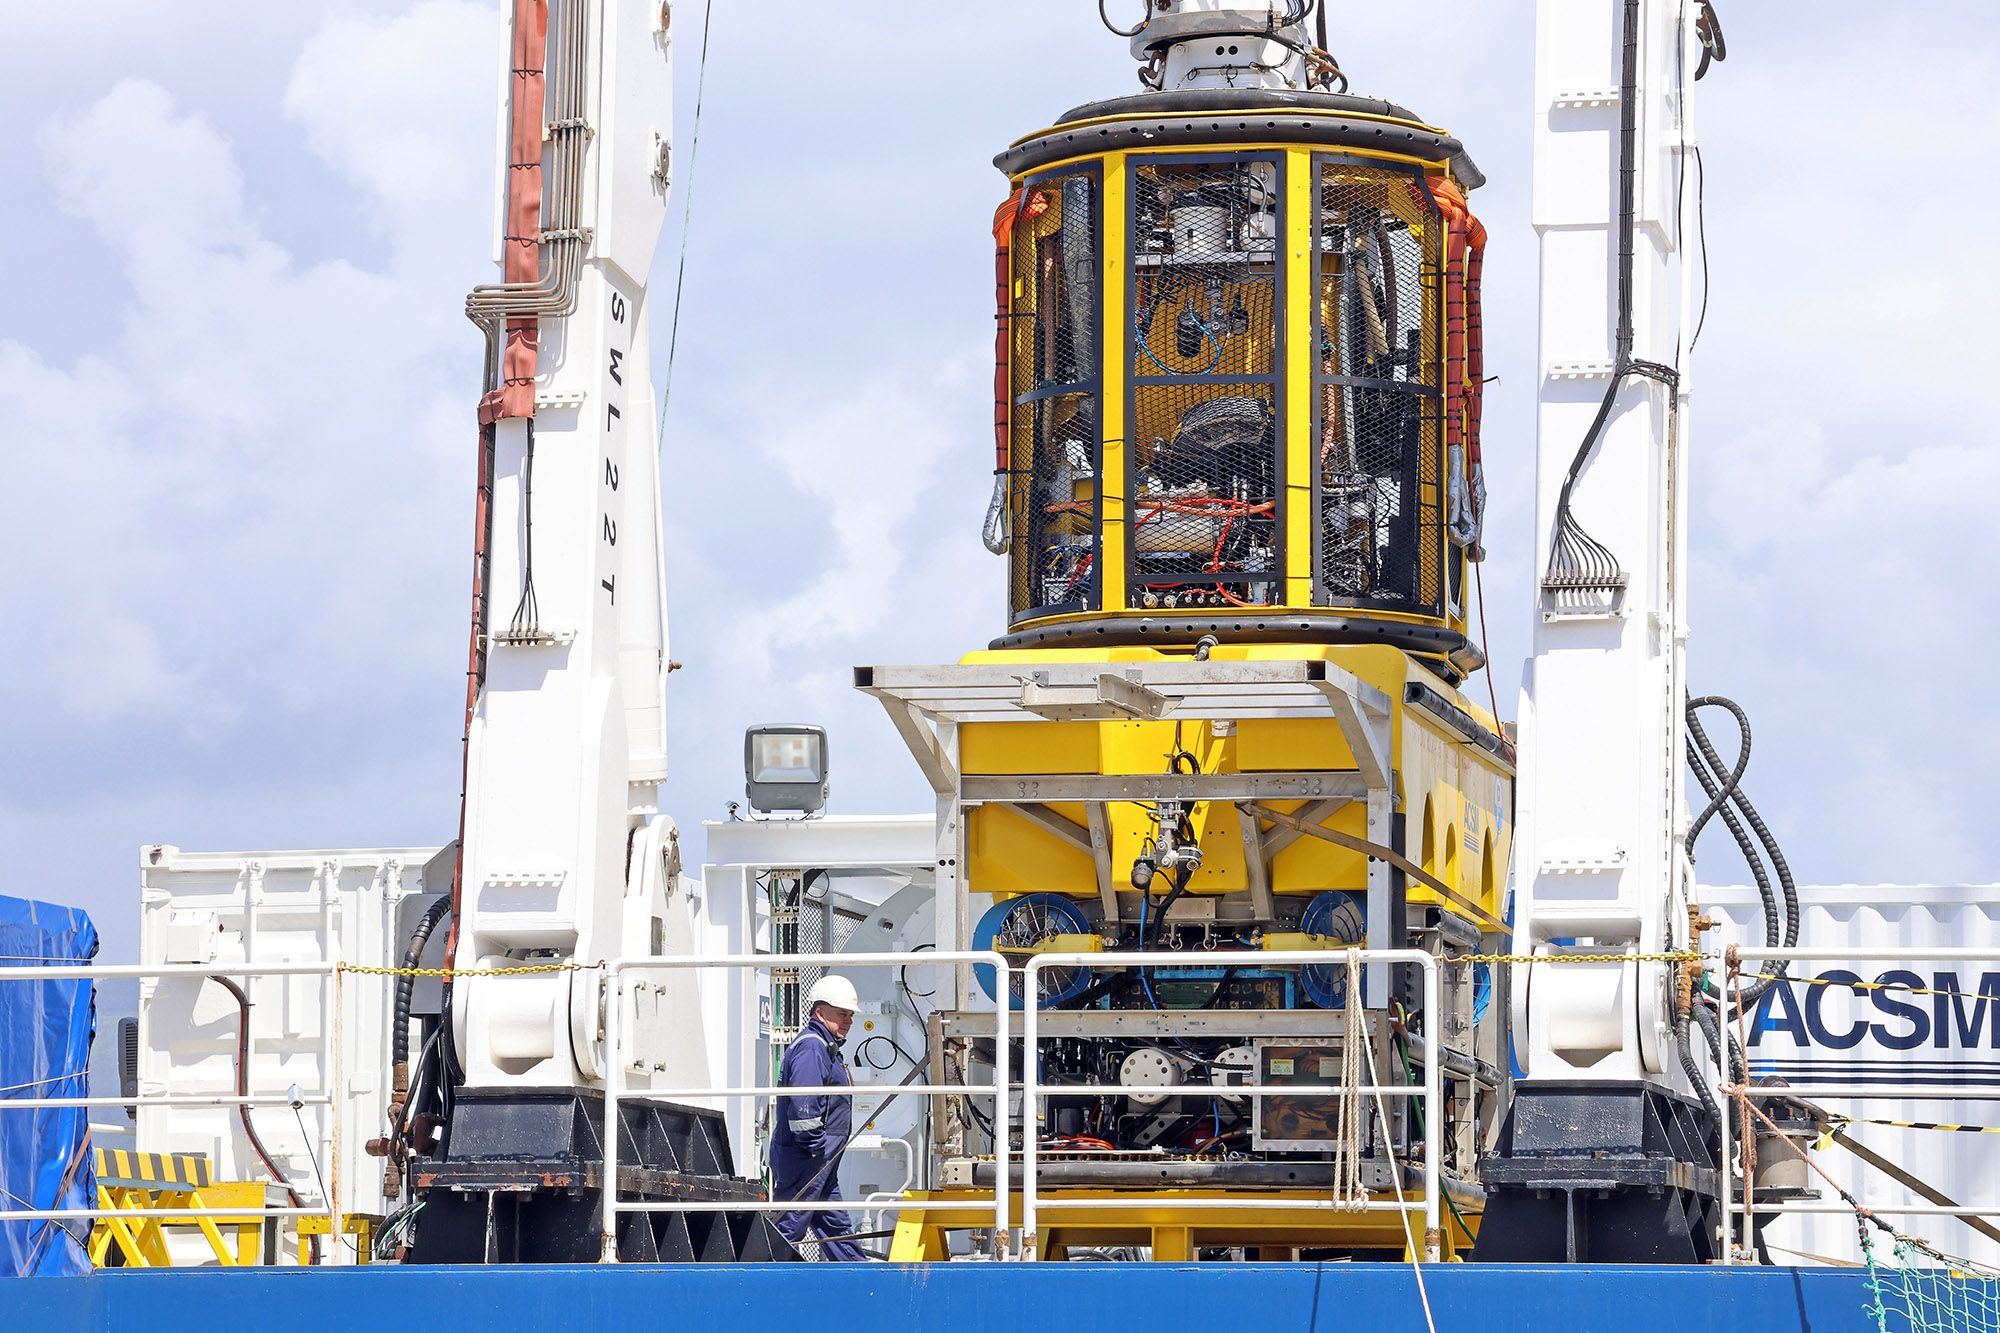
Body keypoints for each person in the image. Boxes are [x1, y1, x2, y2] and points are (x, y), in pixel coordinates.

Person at [771, 973, 868, 1261]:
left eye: (850, 1015)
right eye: (842, 1014)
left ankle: (860, 1280)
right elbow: (804, 1104)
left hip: (820, 1157)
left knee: (834, 1224)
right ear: (820, 1012)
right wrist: (815, 1147)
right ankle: (760, 1278)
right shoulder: (812, 1047)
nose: (849, 1021)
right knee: (791, 1221)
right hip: (807, 1156)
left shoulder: (825, 1048)